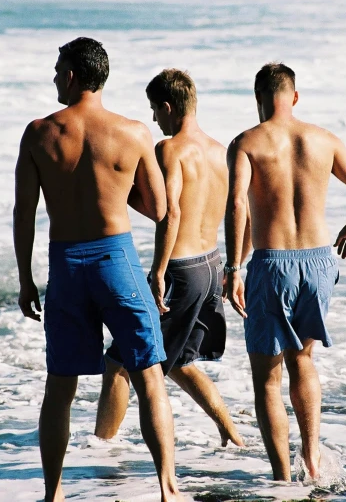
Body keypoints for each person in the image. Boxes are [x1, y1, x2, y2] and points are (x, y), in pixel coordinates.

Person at [13, 37, 184, 502]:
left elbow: (24, 211)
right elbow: (161, 207)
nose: (53, 77)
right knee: (148, 373)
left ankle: (53, 493)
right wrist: (116, 185)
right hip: (117, 261)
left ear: (71, 76)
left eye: (56, 70)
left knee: (60, 387)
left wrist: (26, 277)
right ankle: (168, 489)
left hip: (65, 264)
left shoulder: (39, 133)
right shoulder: (132, 133)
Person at [223, 63, 346, 482]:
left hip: (272, 264)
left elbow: (239, 206)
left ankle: (282, 478)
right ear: (294, 97)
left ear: (258, 99)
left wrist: (232, 268)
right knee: (303, 360)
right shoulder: (324, 140)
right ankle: (311, 460)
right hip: (318, 262)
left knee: (266, 378)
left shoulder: (246, 143)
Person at [95, 69, 244, 448]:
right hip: (211, 264)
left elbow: (171, 212)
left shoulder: (170, 150)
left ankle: (99, 451)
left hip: (181, 269)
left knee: (121, 360)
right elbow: (233, 210)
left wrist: (158, 270)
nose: (154, 120)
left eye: (154, 111)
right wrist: (232, 267)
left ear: (168, 106)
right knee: (178, 361)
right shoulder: (218, 150)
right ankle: (232, 433)